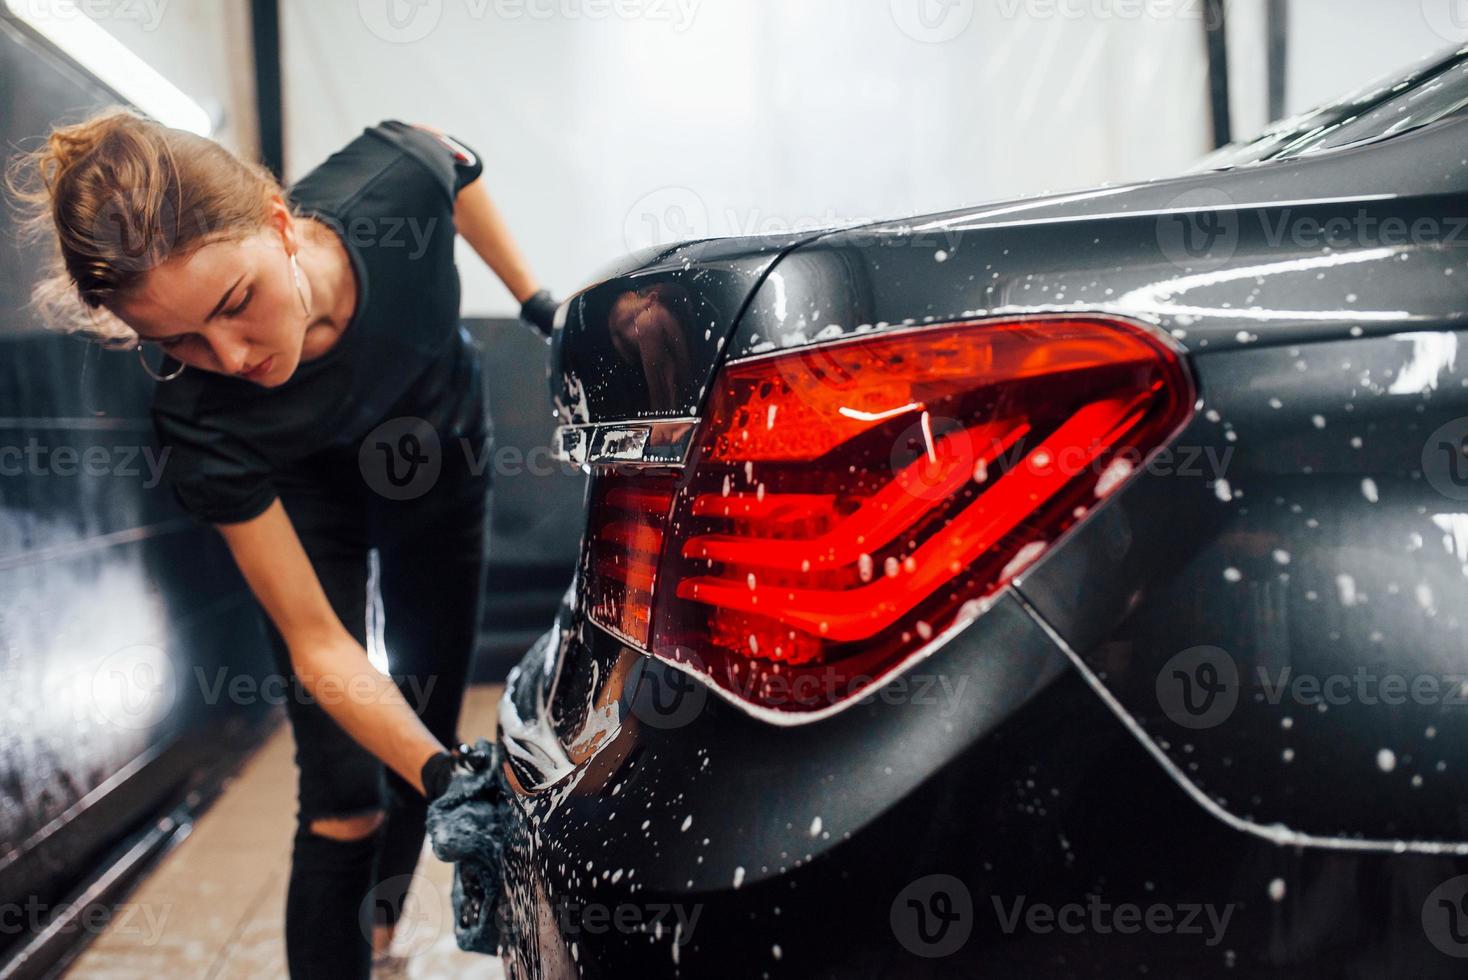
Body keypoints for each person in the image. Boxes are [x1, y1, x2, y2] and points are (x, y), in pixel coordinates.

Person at [9, 108, 558, 978]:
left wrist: (538, 305)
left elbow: (456, 173)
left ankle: (378, 943)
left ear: (276, 219)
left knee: (428, 721)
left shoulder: (393, 180)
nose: (228, 355)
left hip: (438, 460)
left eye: (235, 304)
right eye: (176, 342)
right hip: (307, 495)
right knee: (350, 792)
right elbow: (316, 641)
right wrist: (448, 776)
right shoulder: (200, 415)